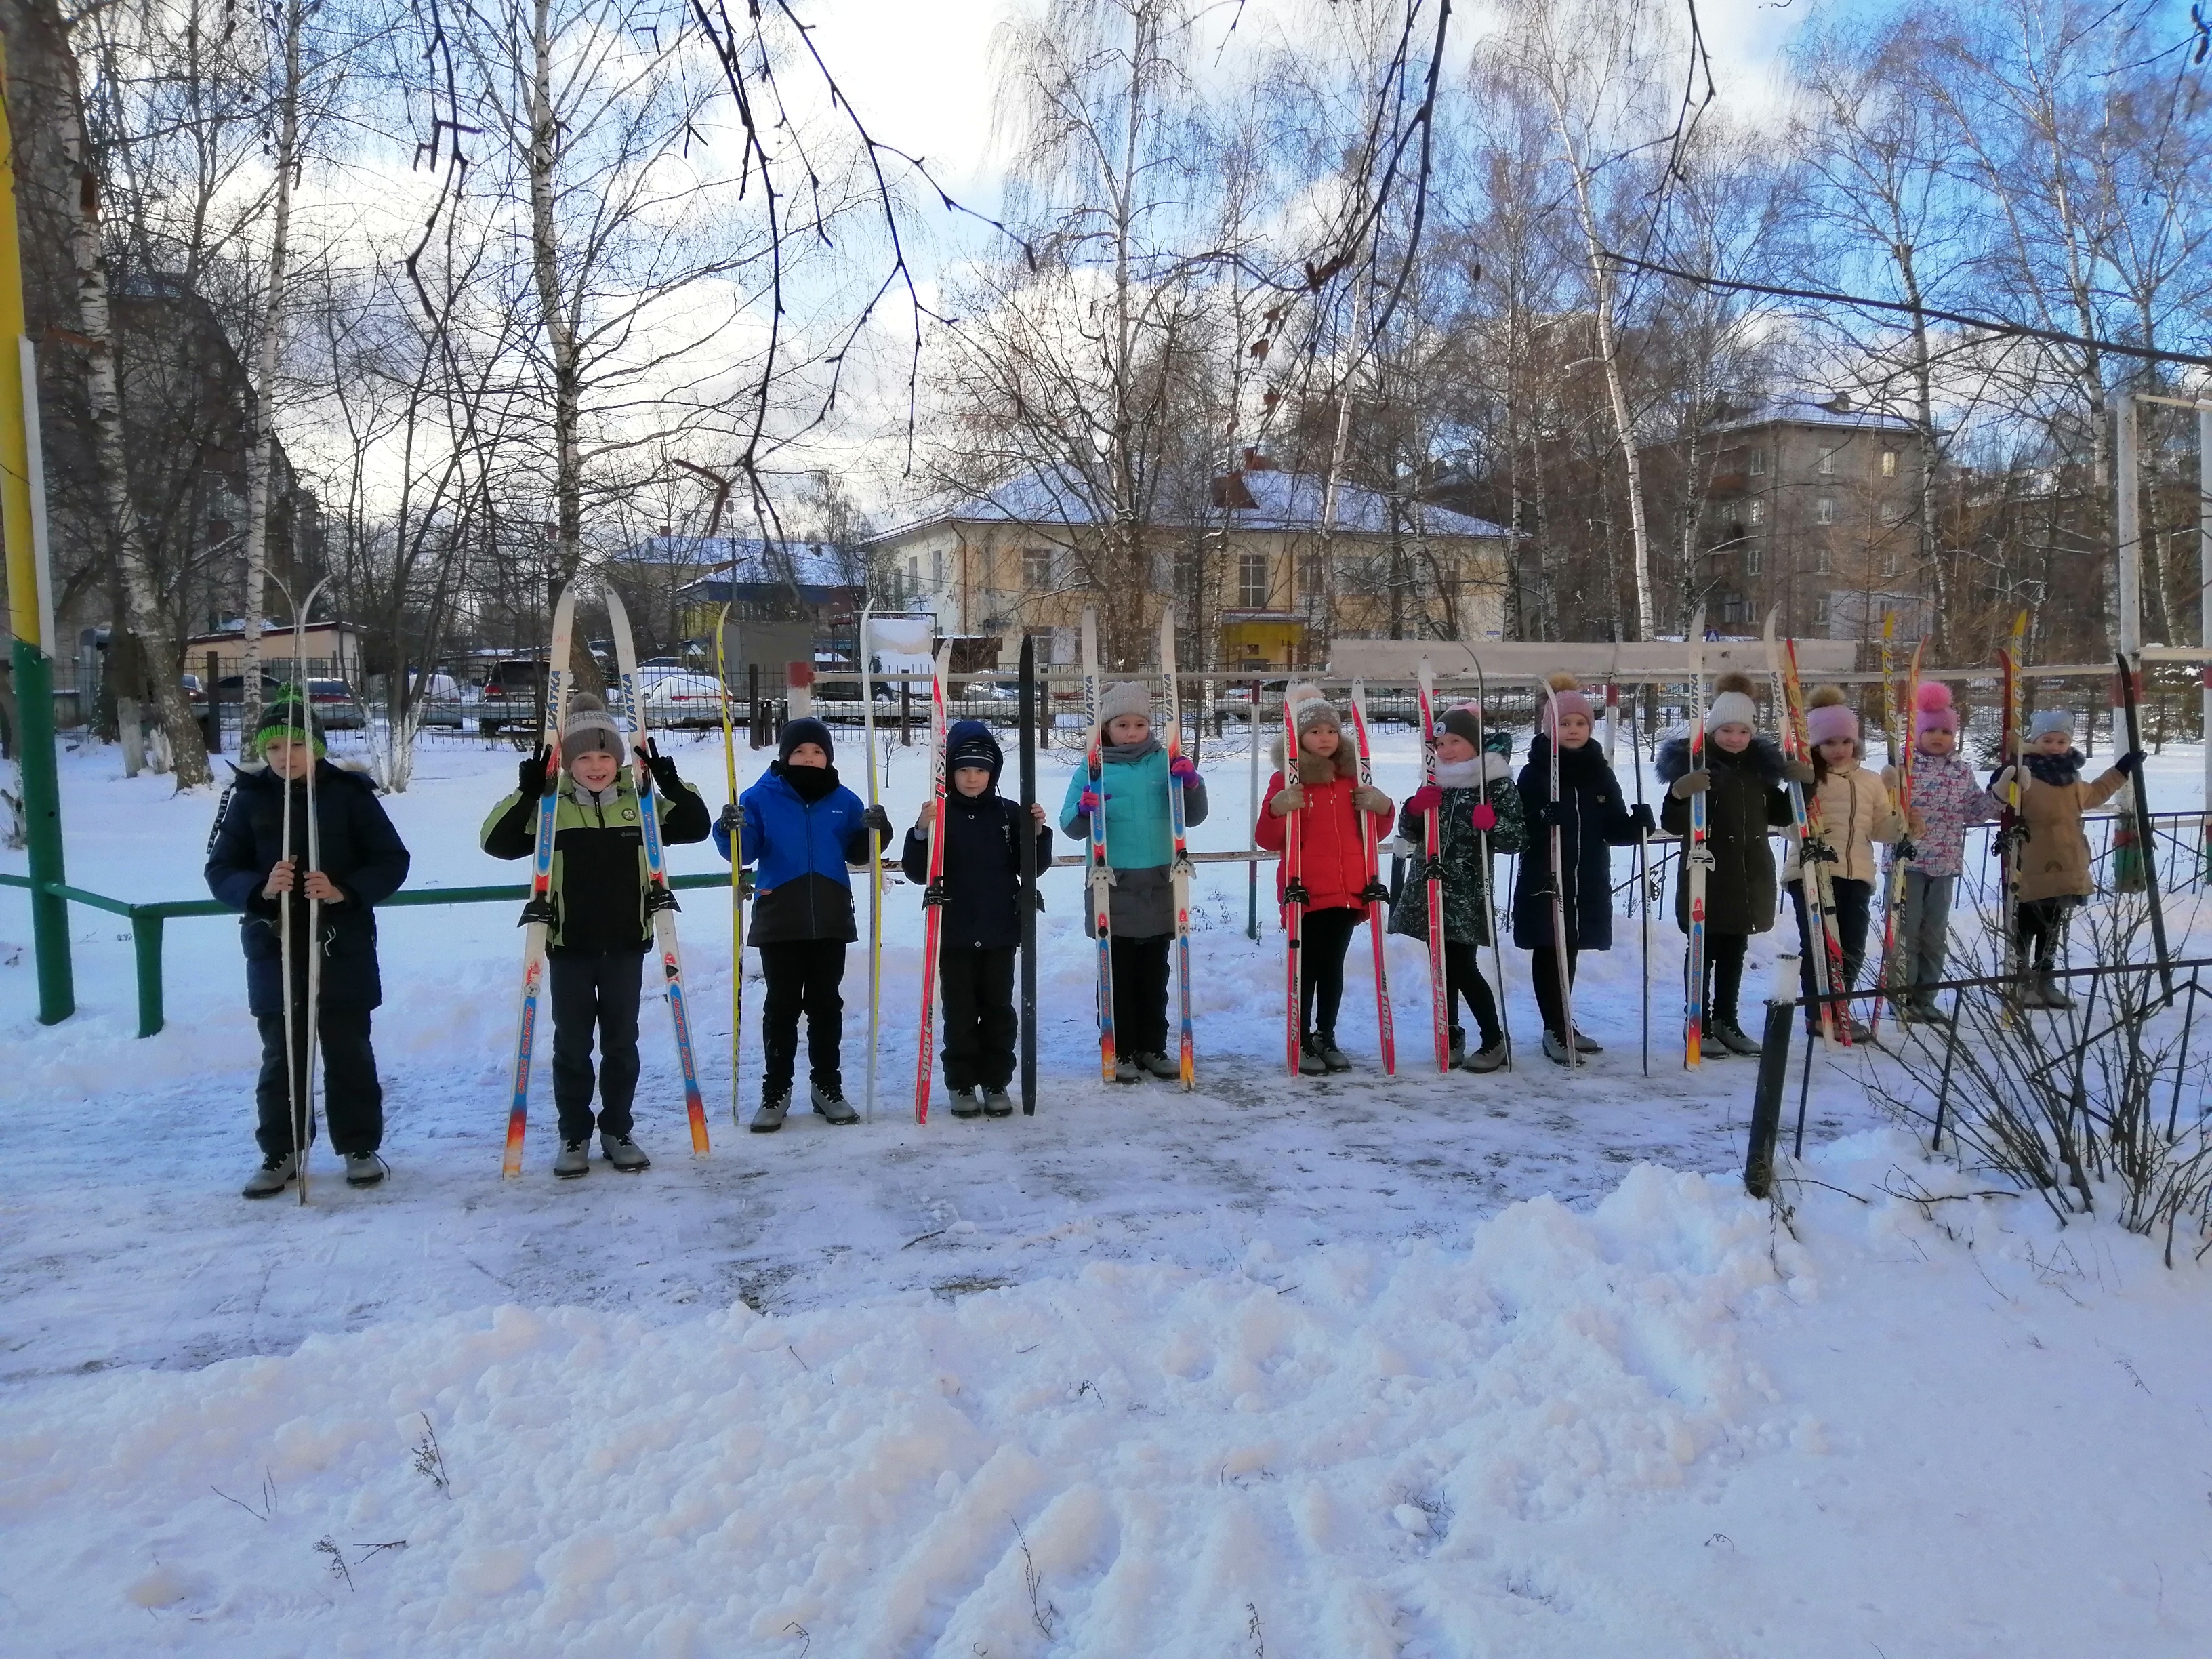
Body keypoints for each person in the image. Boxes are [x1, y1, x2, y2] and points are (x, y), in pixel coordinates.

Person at [480, 691, 709, 1176]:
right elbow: (497, 843)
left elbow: (695, 826)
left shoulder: (640, 804)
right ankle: (575, 1134)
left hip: (626, 943)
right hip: (569, 946)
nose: (596, 766)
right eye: (584, 757)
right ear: (568, 762)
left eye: (605, 756)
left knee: (621, 1044)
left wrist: (669, 781)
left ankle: (617, 1129)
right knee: (572, 1046)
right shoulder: (552, 808)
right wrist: (528, 792)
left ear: (618, 759)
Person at [205, 689, 411, 1198]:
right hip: (274, 948)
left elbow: (391, 860)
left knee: (348, 1052)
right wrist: (259, 889)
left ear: (316, 747)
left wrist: (345, 891)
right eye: (275, 748)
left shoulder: (349, 795)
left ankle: (359, 1146)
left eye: (296, 745)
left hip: (341, 945)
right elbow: (220, 868)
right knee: (282, 1056)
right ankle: (283, 1150)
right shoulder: (247, 798)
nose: (285, 756)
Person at [717, 716, 893, 1129]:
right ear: (785, 755)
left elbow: (860, 853)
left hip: (830, 914)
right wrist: (729, 830)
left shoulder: (845, 800)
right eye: (799, 751)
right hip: (780, 914)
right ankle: (775, 1090)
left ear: (828, 757)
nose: (809, 758)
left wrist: (879, 831)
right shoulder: (759, 797)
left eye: (817, 752)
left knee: (826, 1005)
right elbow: (744, 852)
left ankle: (827, 1086)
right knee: (781, 1006)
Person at [1058, 681, 1209, 1082]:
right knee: (1117, 972)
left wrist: (1192, 784)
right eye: (1122, 725)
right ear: (1107, 728)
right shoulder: (1093, 767)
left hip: (1160, 880)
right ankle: (1120, 1048)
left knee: (1155, 973)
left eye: (1140, 724)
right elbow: (1069, 825)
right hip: (1112, 882)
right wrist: (1083, 810)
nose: (1132, 733)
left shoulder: (1166, 761)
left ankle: (1151, 1046)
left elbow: (1193, 817)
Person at [901, 720, 1052, 1116]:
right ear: (949, 771)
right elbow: (917, 872)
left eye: (981, 770)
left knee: (999, 1010)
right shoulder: (940, 813)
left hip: (1000, 928)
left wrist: (1037, 832)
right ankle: (962, 1082)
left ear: (993, 773)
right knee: (960, 1013)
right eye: (964, 769)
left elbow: (1031, 867)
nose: (972, 778)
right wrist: (921, 831)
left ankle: (996, 1080)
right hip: (953, 930)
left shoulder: (1008, 812)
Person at [1513, 673, 1655, 1066]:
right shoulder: (1535, 773)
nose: (1573, 730)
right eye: (1564, 723)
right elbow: (1517, 828)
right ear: (1549, 728)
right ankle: (1554, 1028)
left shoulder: (1599, 772)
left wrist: (1637, 826)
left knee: (1570, 948)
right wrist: (1543, 817)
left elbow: (1613, 828)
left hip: (1587, 876)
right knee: (1549, 948)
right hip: (1546, 876)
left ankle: (1563, 1022)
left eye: (1580, 723)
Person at [1254, 686, 1396, 1073]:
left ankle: (1325, 1034)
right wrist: (1277, 809)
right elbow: (1267, 839)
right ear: (1298, 737)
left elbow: (1372, 833)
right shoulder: (1287, 780)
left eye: (1331, 731)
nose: (1325, 738)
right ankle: (1299, 1037)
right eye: (1315, 731)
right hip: (1306, 890)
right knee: (1306, 968)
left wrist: (1384, 808)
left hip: (1349, 890)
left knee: (1333, 967)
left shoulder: (1353, 778)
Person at [1656, 671, 1796, 1057]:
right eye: (1727, 730)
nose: (1735, 738)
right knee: (1703, 948)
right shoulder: (1698, 764)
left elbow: (1783, 815)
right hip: (1707, 872)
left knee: (1735, 950)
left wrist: (1802, 785)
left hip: (1749, 874)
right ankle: (1697, 1018)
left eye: (1743, 731)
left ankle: (1726, 1019)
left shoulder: (1759, 771)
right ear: (1712, 730)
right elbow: (1673, 824)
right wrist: (1679, 793)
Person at [1388, 707, 1523, 1071]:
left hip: (1467, 891)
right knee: (1441, 965)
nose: (1446, 750)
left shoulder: (1494, 783)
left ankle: (1495, 1039)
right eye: (1440, 744)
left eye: (1455, 742)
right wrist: (1414, 810)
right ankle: (1449, 1032)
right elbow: (1410, 833)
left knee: (1461, 965)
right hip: (1429, 886)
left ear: (1475, 744)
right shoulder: (1435, 781)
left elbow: (1516, 838)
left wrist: (1493, 824)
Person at [1991, 707, 2140, 1010]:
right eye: (2047, 740)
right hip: (2030, 859)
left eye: (2061, 741)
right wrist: (2002, 782)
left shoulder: (2072, 777)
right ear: (2035, 741)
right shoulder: (2023, 772)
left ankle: (2046, 979)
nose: (2055, 747)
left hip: (2066, 860)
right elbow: (2001, 806)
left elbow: (2095, 794)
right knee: (2025, 923)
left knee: (2052, 925)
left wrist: (2121, 770)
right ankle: (2021, 980)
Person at [1791, 686, 1904, 1041]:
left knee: (1852, 945)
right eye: (1829, 743)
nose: (1839, 749)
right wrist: (1802, 804)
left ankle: (1840, 1008)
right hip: (1811, 872)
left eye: (1845, 741)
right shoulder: (1809, 779)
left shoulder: (1870, 781)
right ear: (1815, 746)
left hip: (1856, 873)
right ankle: (1818, 1014)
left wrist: (1904, 824)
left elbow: (1881, 828)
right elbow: (1787, 825)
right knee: (1819, 945)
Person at [1889, 681, 2000, 1023]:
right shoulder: (1905, 767)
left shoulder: (1961, 771)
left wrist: (1999, 796)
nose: (1939, 737)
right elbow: (1885, 809)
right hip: (1908, 862)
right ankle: (1902, 995)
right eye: (1931, 730)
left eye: (1946, 732)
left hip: (1945, 863)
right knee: (1905, 933)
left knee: (1934, 934)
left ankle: (1927, 997)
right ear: (1918, 733)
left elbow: (1974, 812)